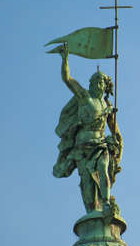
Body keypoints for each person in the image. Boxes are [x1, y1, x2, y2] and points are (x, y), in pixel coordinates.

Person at [53, 44, 123, 215]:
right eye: (94, 81)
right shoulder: (84, 97)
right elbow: (67, 79)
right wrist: (65, 60)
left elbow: (115, 130)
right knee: (87, 185)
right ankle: (92, 211)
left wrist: (118, 141)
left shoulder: (107, 105)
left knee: (103, 169)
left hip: (100, 145)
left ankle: (106, 203)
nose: (97, 84)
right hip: (82, 148)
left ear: (105, 86)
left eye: (100, 82)